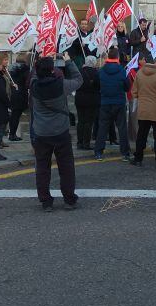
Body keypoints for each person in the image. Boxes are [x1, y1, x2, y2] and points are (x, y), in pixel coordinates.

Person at [31, 52, 84, 212]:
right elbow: (78, 80)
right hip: (60, 131)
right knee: (66, 166)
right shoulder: (61, 84)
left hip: (41, 132)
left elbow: (34, 73)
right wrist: (68, 62)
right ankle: (69, 199)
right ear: (53, 71)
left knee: (42, 167)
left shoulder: (34, 85)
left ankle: (46, 201)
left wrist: (38, 58)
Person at [131, 55, 156, 168]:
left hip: (143, 109)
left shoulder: (139, 74)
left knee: (141, 136)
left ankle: (138, 158)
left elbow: (134, 91)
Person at [95, 47, 131, 161]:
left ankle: (99, 152)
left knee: (102, 128)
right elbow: (127, 86)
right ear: (117, 57)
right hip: (119, 102)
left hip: (105, 102)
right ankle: (125, 153)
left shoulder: (101, 70)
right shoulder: (122, 70)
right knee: (122, 128)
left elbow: (96, 85)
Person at [74, 56, 100, 150]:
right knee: (89, 122)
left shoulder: (79, 72)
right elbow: (99, 86)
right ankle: (86, 143)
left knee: (81, 121)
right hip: (91, 100)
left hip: (80, 99)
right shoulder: (96, 73)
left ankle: (79, 143)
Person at [8, 53, 29, 141]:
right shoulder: (25, 69)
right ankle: (12, 134)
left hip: (13, 93)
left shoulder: (11, 68)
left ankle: (11, 133)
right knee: (16, 115)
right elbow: (27, 81)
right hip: (21, 94)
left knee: (14, 115)